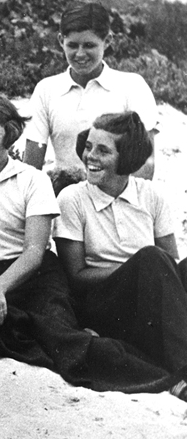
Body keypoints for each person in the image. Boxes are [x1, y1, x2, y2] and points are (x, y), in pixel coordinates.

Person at [0, 90, 177, 394]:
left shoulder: (31, 179)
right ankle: (94, 344)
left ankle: (160, 375)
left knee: (60, 336)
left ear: (9, 134)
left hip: (38, 278)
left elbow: (34, 252)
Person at [55, 111, 187, 400]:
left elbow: (172, 263)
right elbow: (76, 277)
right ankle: (182, 369)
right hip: (103, 303)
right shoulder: (73, 199)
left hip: (150, 298)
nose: (90, 156)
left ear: (126, 157)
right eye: (88, 146)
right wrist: (135, 269)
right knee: (151, 259)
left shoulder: (152, 195)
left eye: (103, 150)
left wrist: (146, 270)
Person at [24, 1, 157, 179]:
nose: (80, 54)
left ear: (107, 41)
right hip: (65, 196)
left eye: (89, 45)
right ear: (60, 41)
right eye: (72, 45)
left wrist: (125, 203)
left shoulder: (132, 86)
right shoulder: (46, 90)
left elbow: (145, 163)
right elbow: (32, 166)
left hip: (116, 196)